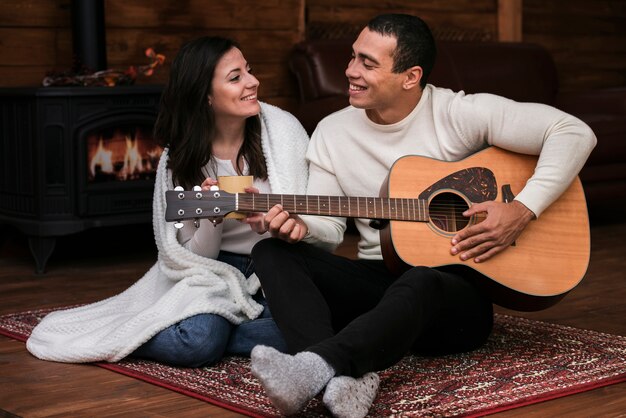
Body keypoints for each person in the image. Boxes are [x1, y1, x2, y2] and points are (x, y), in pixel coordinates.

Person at [248, 14, 597, 418]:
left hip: (454, 301)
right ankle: (340, 380)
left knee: (422, 276)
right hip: (378, 286)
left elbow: (573, 133)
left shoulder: (458, 112)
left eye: (367, 62)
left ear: (410, 76)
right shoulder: (332, 131)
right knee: (272, 252)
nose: (350, 71)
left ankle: (316, 366)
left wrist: (522, 209)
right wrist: (302, 228)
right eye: (352, 57)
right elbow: (328, 233)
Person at [25, 36, 310, 367]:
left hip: (277, 261)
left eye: (249, 70)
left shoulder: (283, 132)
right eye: (236, 77)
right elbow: (191, 256)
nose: (253, 82)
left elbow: (306, 221)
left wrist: (274, 225)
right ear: (205, 95)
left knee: (307, 328)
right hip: (216, 269)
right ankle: (151, 335)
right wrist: (210, 218)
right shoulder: (183, 160)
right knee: (199, 345)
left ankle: (219, 330)